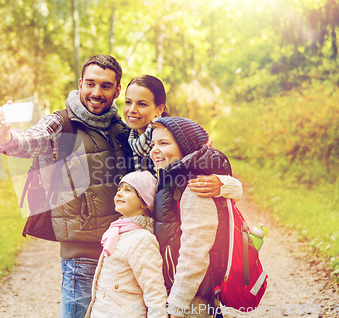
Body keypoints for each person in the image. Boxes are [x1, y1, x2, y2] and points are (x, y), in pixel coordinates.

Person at [0, 55, 133, 318]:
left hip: (121, 253)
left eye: (105, 86)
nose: (96, 93)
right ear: (79, 84)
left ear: (117, 90)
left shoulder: (120, 129)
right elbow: (29, 140)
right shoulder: (61, 123)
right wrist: (3, 137)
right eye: (90, 84)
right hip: (81, 256)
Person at [149, 117, 233, 318]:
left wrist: (176, 306)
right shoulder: (169, 181)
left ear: (184, 147)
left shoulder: (193, 188)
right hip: (177, 292)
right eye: (153, 144)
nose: (154, 150)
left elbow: (195, 253)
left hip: (191, 301)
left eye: (164, 143)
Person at [123, 74, 242, 200]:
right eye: (128, 102)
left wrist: (221, 184)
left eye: (142, 104)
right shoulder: (123, 139)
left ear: (159, 109)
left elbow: (234, 187)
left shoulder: (180, 137)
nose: (132, 110)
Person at [85, 171, 167, 318]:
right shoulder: (118, 231)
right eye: (119, 190)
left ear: (144, 202)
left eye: (128, 190)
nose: (119, 194)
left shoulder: (143, 239)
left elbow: (154, 290)